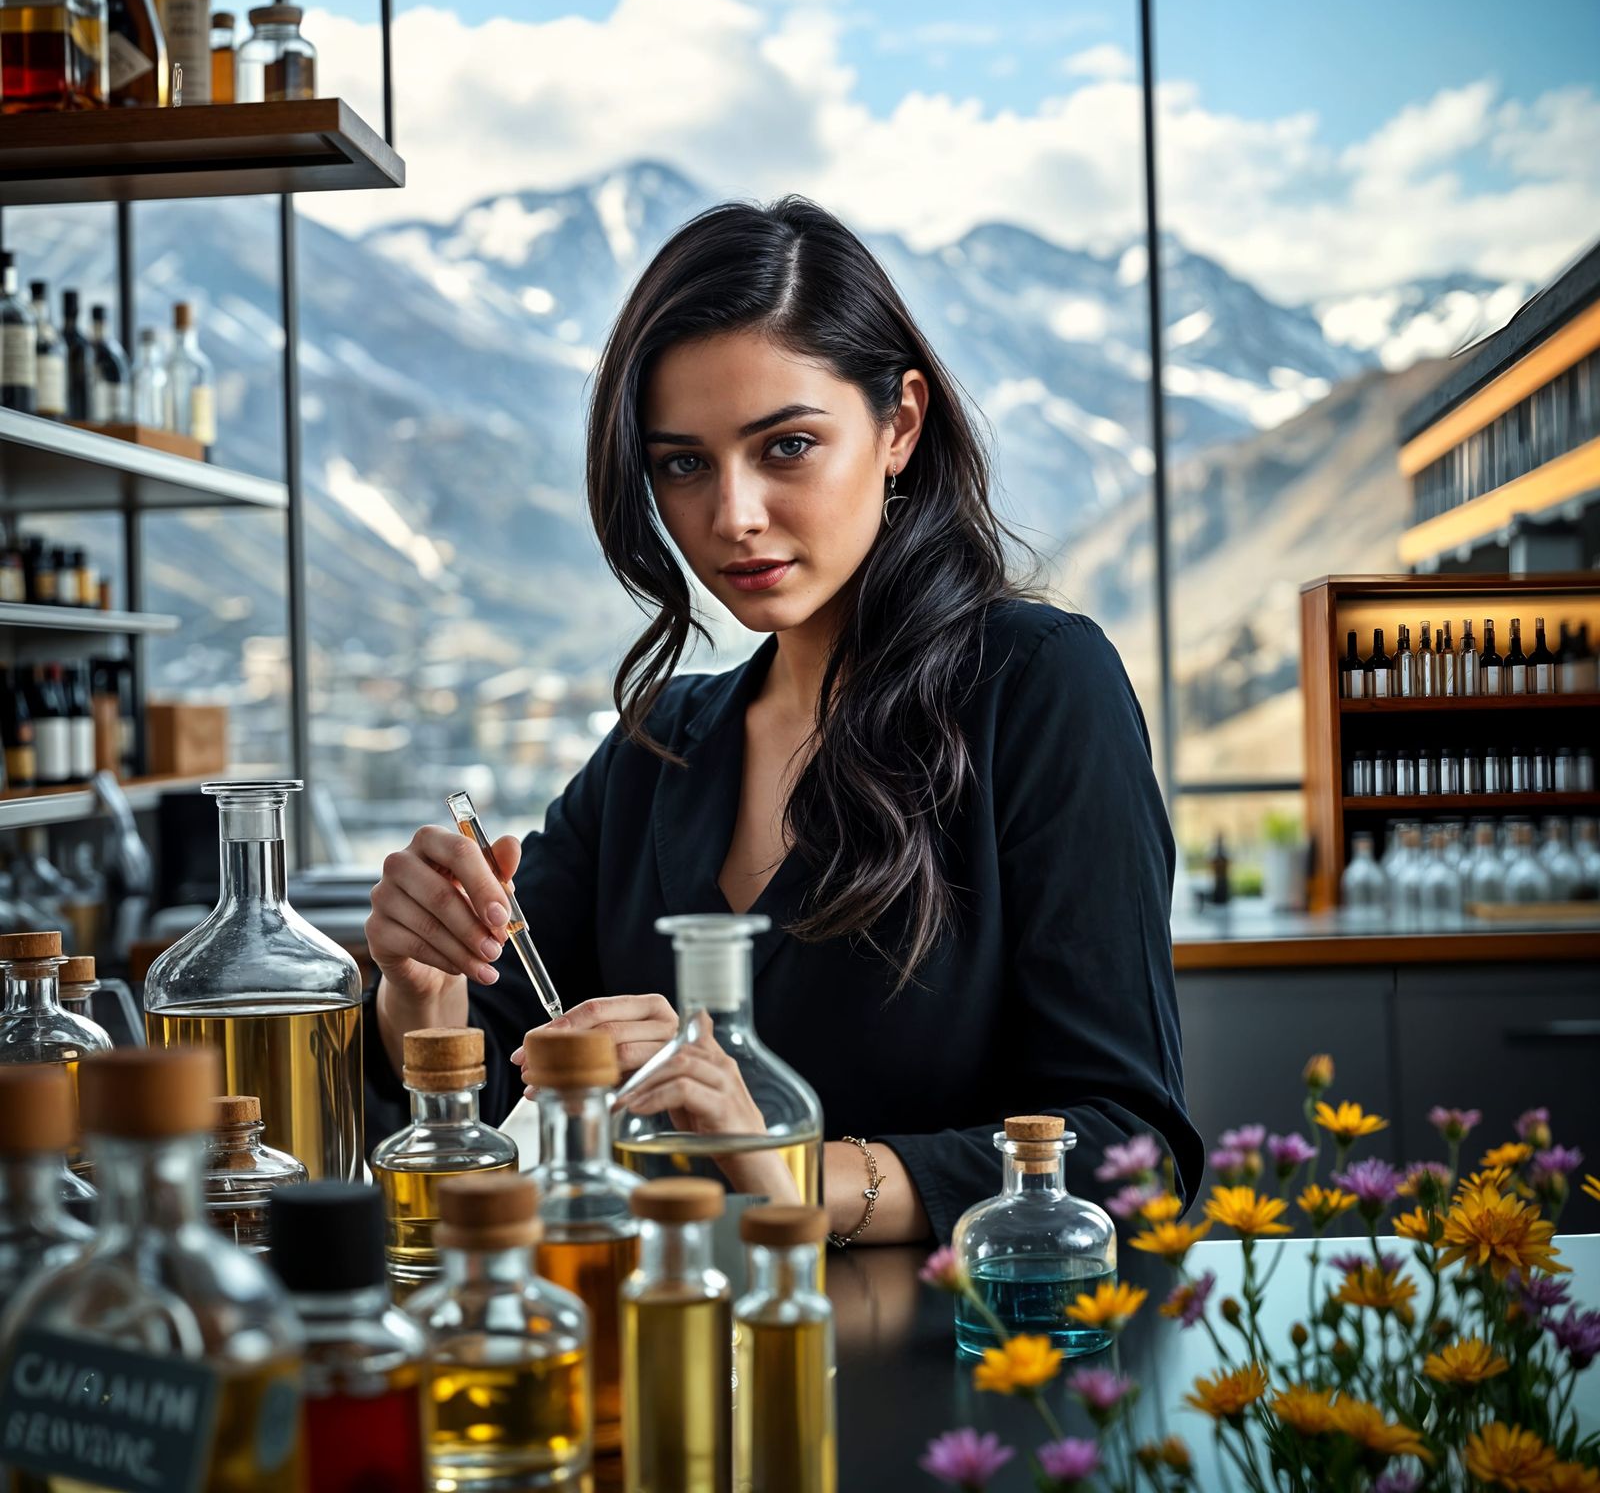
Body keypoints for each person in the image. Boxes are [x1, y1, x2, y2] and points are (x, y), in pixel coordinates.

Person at [362, 196, 1203, 1245]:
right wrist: (423, 989)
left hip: (964, 1374)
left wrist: (785, 1167)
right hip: (672, 1369)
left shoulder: (1038, 688)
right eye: (682, 463)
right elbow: (483, 1092)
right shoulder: (655, 748)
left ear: (900, 423)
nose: (732, 515)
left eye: (788, 446)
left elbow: (1129, 1155)